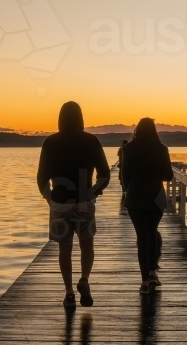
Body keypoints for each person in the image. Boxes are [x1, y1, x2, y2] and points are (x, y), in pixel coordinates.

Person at [37, 101, 110, 309]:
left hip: (60, 203)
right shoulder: (91, 141)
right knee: (87, 246)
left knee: (64, 249)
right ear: (81, 118)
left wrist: (50, 199)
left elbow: (41, 177)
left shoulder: (50, 142)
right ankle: (84, 279)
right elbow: (105, 174)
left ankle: (69, 293)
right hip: (84, 202)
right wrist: (93, 193)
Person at [122, 118, 174, 294]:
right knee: (151, 233)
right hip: (155, 197)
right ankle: (153, 274)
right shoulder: (161, 149)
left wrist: (128, 191)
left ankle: (144, 282)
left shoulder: (128, 149)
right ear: (154, 130)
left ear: (137, 130)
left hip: (135, 197)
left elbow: (124, 176)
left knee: (141, 237)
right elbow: (168, 175)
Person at [117, 138, 129, 203]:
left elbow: (118, 156)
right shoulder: (129, 149)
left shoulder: (121, 149)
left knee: (121, 177)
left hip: (121, 164)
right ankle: (126, 189)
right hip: (126, 164)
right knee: (125, 176)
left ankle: (123, 189)